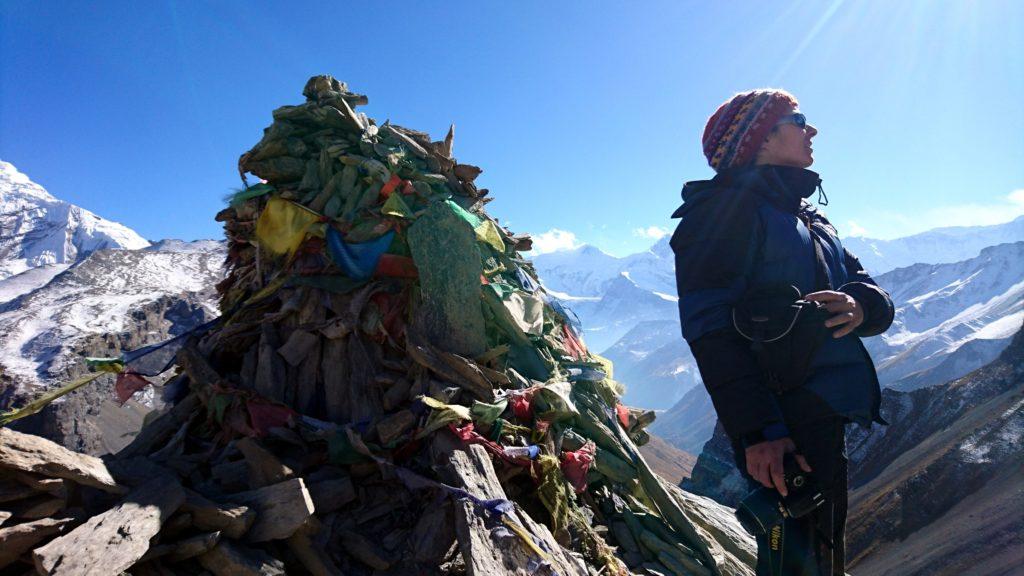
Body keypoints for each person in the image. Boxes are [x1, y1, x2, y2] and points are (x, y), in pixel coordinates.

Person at [669, 89, 894, 575]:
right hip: (782, 418)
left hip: (820, 410)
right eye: (800, 120)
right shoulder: (719, 214)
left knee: (819, 547)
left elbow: (870, 291)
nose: (812, 131)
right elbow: (709, 332)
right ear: (761, 139)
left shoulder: (807, 218)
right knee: (798, 555)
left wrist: (860, 306)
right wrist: (758, 433)